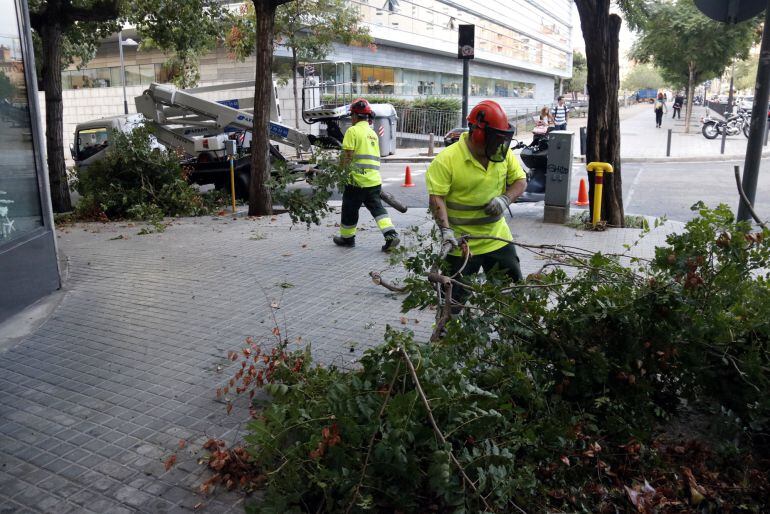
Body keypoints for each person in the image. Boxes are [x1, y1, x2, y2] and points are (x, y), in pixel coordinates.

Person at [426, 100, 527, 308]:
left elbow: (520, 181)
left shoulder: (502, 154)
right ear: (479, 134)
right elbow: (436, 198)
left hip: (497, 238)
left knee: (512, 296)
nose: (499, 145)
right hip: (461, 245)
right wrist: (445, 231)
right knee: (452, 302)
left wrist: (505, 199)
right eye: (495, 139)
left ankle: (512, 326)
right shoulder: (447, 159)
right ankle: (448, 325)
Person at [333, 98, 400, 252]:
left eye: (351, 115)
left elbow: (348, 156)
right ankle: (391, 235)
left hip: (356, 181)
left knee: (349, 209)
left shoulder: (352, 131)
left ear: (355, 116)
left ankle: (347, 238)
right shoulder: (372, 133)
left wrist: (339, 171)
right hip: (373, 181)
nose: (351, 118)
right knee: (378, 209)